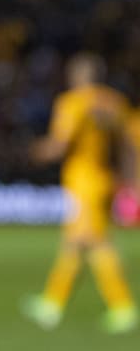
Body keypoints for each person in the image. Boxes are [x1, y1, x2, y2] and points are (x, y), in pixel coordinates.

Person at [21, 51, 138, 334]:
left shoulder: (72, 103)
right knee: (75, 243)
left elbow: (59, 144)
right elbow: (130, 144)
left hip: (83, 180)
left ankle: (123, 306)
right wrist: (131, 178)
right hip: (105, 179)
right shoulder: (115, 103)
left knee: (96, 243)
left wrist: (35, 152)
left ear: (77, 77)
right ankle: (53, 303)